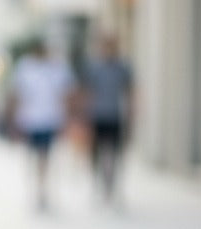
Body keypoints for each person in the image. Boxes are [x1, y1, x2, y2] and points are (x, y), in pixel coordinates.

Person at [8, 39, 76, 208]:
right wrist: (13, 119)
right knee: (34, 155)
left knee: (46, 155)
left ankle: (43, 189)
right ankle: (38, 187)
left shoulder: (57, 67)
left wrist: (69, 117)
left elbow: (67, 93)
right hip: (30, 120)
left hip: (50, 119)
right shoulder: (25, 67)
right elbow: (17, 93)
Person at [82, 34, 133, 201]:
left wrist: (132, 114)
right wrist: (85, 116)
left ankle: (111, 186)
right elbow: (88, 93)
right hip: (97, 116)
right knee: (96, 154)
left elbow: (130, 92)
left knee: (114, 154)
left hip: (115, 116)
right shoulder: (94, 68)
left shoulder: (123, 67)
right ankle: (98, 184)